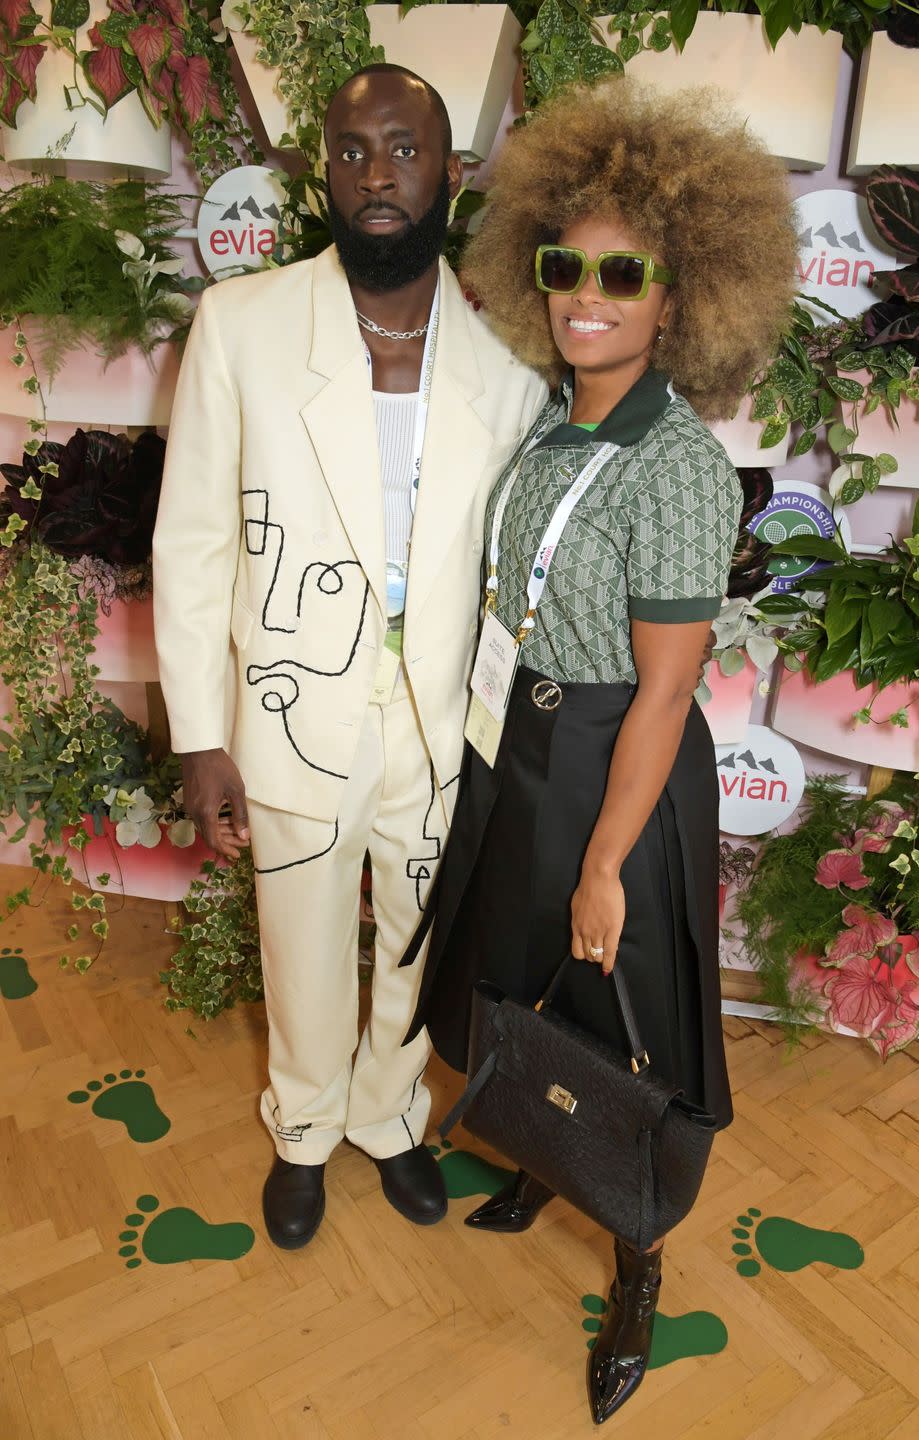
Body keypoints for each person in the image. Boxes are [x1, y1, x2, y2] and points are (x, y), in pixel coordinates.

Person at [402, 79, 796, 1423]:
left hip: (615, 771)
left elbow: (667, 695)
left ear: (679, 295)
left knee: (627, 1021)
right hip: (524, 742)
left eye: (621, 272)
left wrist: (611, 860)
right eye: (564, 263)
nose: (584, 294)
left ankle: (636, 1255)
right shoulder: (562, 418)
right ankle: (532, 1152)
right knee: (521, 977)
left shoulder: (676, 465)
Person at [152, 65, 547, 1249]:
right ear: (322, 170)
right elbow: (194, 538)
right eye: (354, 151)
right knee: (304, 940)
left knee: (417, 944)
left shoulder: (510, 373)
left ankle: (389, 1118)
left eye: (406, 150)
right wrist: (199, 733)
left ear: (452, 172)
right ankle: (306, 1127)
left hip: (435, 727)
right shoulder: (244, 326)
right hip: (285, 717)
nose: (379, 176)